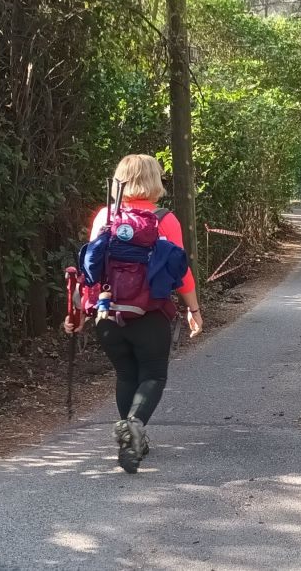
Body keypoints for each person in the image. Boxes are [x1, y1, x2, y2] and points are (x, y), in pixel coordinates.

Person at [63, 154, 203, 473]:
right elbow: (180, 273)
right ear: (155, 180)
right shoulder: (164, 219)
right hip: (149, 313)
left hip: (107, 312)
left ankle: (132, 439)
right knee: (153, 374)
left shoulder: (105, 218)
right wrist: (193, 309)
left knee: (126, 374)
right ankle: (135, 426)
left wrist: (78, 312)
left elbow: (90, 269)